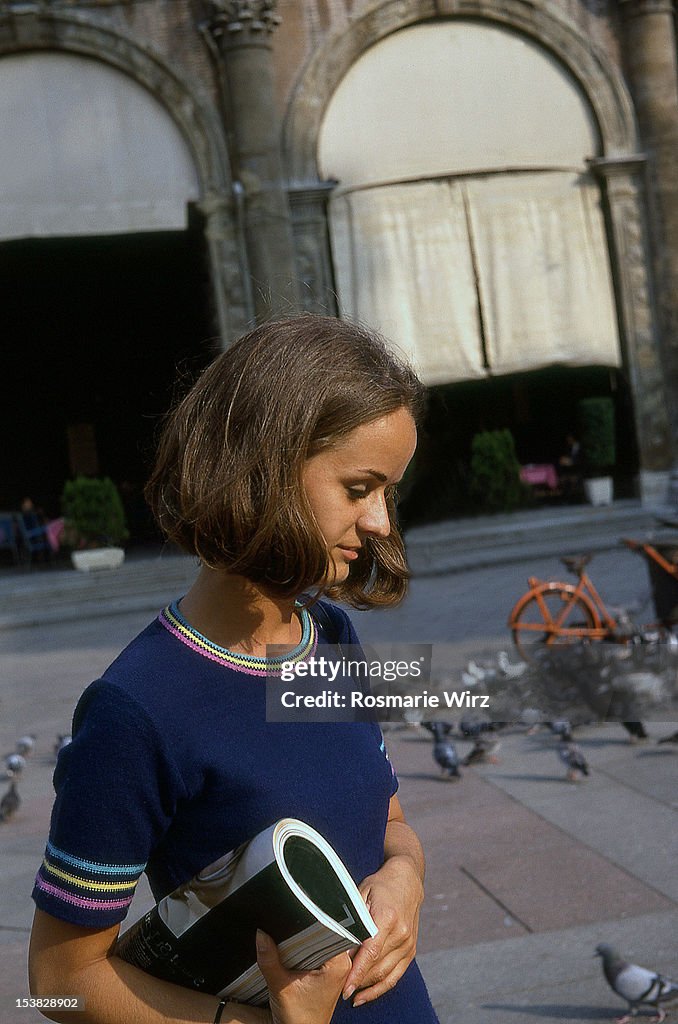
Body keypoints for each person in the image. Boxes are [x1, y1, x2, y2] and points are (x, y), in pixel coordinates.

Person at [28, 314, 440, 1024]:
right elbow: (55, 983)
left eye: (389, 492)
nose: (380, 523)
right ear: (267, 468)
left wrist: (407, 876)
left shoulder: (331, 634)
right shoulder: (137, 708)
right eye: (358, 488)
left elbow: (386, 816)